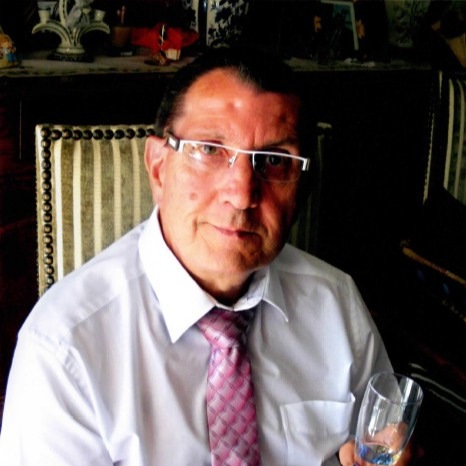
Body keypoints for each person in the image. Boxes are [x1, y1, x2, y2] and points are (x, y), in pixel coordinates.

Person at [0, 48, 393, 465]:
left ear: (300, 188)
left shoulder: (336, 302)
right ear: (158, 167)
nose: (241, 194)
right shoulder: (65, 349)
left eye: (274, 160)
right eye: (209, 149)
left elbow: (384, 441)